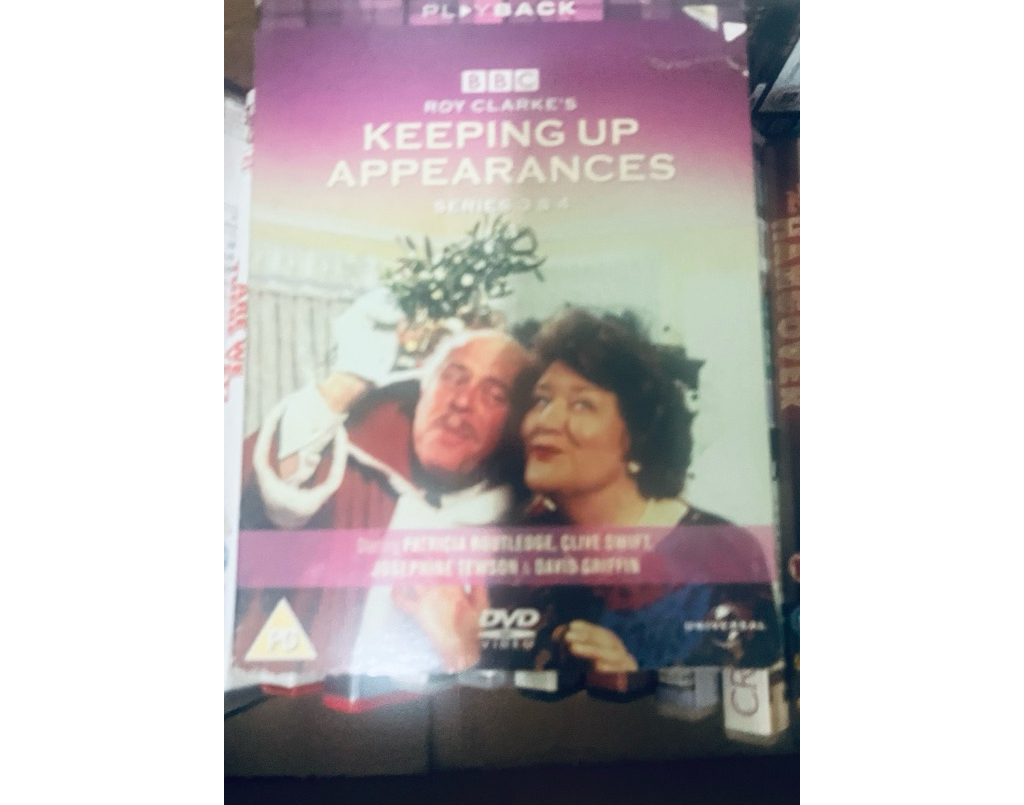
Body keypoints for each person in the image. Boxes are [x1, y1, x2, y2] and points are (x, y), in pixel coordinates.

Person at [234, 289, 533, 683]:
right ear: (422, 387)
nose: (463, 401)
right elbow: (250, 497)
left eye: (494, 395)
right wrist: (344, 383)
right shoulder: (355, 469)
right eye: (452, 377)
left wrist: (462, 648)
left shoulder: (527, 530)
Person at [518, 306, 782, 672]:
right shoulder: (521, 541)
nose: (545, 421)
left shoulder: (723, 552)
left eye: (582, 404)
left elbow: (751, 686)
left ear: (638, 438)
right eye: (542, 400)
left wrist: (633, 675)